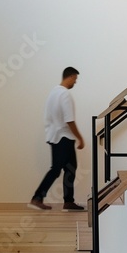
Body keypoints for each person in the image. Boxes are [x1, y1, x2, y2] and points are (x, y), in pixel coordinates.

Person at [29, 67, 85, 211]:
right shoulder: (65, 94)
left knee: (70, 168)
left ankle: (68, 201)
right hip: (63, 137)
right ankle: (37, 198)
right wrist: (80, 138)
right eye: (75, 79)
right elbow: (69, 120)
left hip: (54, 135)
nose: (75, 82)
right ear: (71, 76)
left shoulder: (53, 93)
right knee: (57, 169)